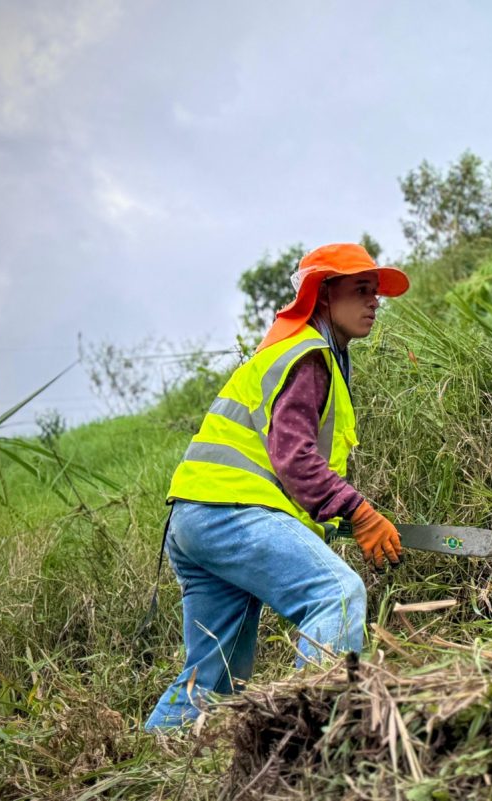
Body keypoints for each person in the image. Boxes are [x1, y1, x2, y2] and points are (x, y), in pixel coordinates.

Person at [145, 242, 408, 732]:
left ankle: (141, 766)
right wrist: (359, 511)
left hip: (195, 518)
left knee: (213, 679)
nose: (374, 302)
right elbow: (294, 459)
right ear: (324, 294)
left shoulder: (302, 354)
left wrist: (328, 520)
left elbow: (282, 468)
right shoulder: (308, 357)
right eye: (361, 290)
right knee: (339, 596)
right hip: (231, 511)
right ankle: (308, 741)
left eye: (376, 293)